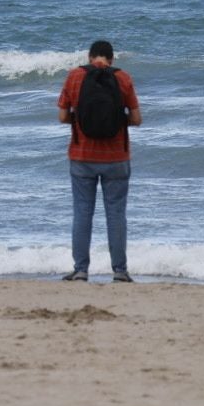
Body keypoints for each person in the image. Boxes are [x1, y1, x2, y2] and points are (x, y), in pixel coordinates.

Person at [58, 40, 142, 283]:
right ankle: (120, 271)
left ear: (89, 57)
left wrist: (80, 118)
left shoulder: (75, 77)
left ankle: (81, 270)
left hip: (82, 157)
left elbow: (62, 116)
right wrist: (117, 120)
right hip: (116, 158)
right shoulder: (123, 78)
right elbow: (136, 119)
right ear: (112, 60)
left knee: (82, 213)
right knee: (116, 214)